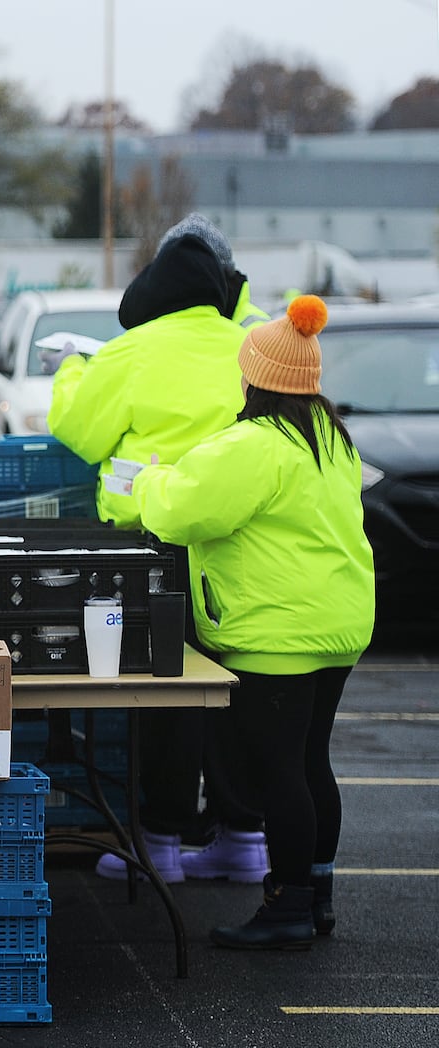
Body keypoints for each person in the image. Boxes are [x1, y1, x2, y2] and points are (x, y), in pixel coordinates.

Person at [128, 295, 374, 948]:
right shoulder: (330, 438)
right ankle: (316, 894)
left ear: (255, 378)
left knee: (279, 772)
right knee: (312, 761)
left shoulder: (253, 445)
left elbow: (181, 511)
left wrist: (148, 480)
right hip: (340, 624)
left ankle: (287, 905)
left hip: (277, 634)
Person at [48, 213, 271, 884]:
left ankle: (164, 842)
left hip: (159, 546)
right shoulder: (252, 343)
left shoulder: (132, 352)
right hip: (244, 545)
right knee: (239, 692)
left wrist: (70, 368)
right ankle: (245, 836)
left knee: (167, 692)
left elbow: (77, 430)